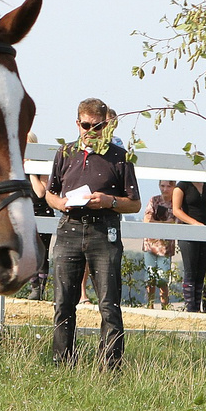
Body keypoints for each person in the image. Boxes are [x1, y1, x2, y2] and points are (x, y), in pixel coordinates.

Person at [45, 98, 140, 368]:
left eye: (97, 126)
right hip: (69, 228)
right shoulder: (64, 153)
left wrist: (108, 200)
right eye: (86, 125)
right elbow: (50, 193)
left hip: (103, 230)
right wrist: (59, 203)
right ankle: (62, 363)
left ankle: (109, 366)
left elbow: (134, 202)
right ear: (77, 123)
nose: (91, 131)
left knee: (109, 304)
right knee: (63, 303)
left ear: (105, 125)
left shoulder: (120, 158)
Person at [172, 170, 206, 313]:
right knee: (190, 270)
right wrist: (194, 223)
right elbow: (176, 210)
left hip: (205, 232)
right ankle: (190, 308)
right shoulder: (182, 186)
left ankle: (197, 307)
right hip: (188, 232)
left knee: (201, 271)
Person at [141, 182, 176, 308]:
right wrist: (164, 222)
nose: (165, 189)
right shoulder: (154, 200)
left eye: (168, 186)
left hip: (165, 245)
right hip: (150, 243)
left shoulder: (175, 203)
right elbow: (147, 219)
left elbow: (174, 221)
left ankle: (164, 305)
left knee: (163, 278)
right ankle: (149, 304)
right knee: (149, 276)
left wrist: (158, 222)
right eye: (162, 185)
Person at [27, 132, 53, 299]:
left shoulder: (42, 165)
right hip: (25, 212)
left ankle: (40, 289)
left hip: (42, 211)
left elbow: (40, 191)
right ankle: (33, 286)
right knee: (28, 252)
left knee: (42, 252)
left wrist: (30, 170)